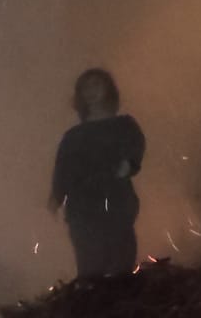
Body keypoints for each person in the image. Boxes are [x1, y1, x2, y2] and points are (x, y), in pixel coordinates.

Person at [49, 67, 145, 280]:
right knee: (90, 268)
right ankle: (92, 307)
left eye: (96, 85)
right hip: (82, 209)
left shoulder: (124, 125)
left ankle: (120, 306)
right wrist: (56, 196)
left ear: (108, 90)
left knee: (121, 265)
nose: (90, 91)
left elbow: (135, 148)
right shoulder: (73, 136)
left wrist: (128, 165)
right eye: (85, 87)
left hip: (117, 203)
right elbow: (63, 169)